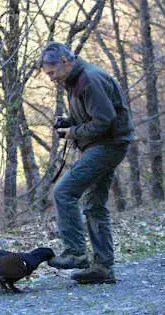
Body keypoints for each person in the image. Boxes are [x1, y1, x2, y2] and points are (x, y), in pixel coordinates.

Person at [39, 42, 134, 284]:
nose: (50, 78)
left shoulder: (88, 80)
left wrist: (73, 132)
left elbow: (103, 121)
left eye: (51, 73)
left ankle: (76, 253)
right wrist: (69, 122)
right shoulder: (75, 81)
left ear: (64, 62)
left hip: (108, 145)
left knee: (63, 191)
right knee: (93, 205)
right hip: (104, 144)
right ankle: (103, 268)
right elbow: (93, 115)